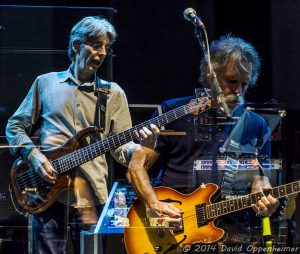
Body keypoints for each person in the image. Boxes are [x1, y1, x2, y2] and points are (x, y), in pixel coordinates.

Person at [6, 16, 158, 254]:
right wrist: (34, 155)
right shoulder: (45, 83)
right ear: (76, 46)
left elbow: (121, 149)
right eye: (96, 45)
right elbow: (14, 127)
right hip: (47, 195)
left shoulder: (113, 93)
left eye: (106, 48)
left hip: (92, 197)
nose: (102, 53)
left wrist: (142, 148)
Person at [127, 35, 280, 253]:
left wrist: (265, 197)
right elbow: (136, 167)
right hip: (175, 230)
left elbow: (260, 178)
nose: (238, 91)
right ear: (210, 76)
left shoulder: (256, 125)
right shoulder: (172, 111)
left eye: (244, 84)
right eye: (231, 81)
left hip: (232, 235)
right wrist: (154, 205)